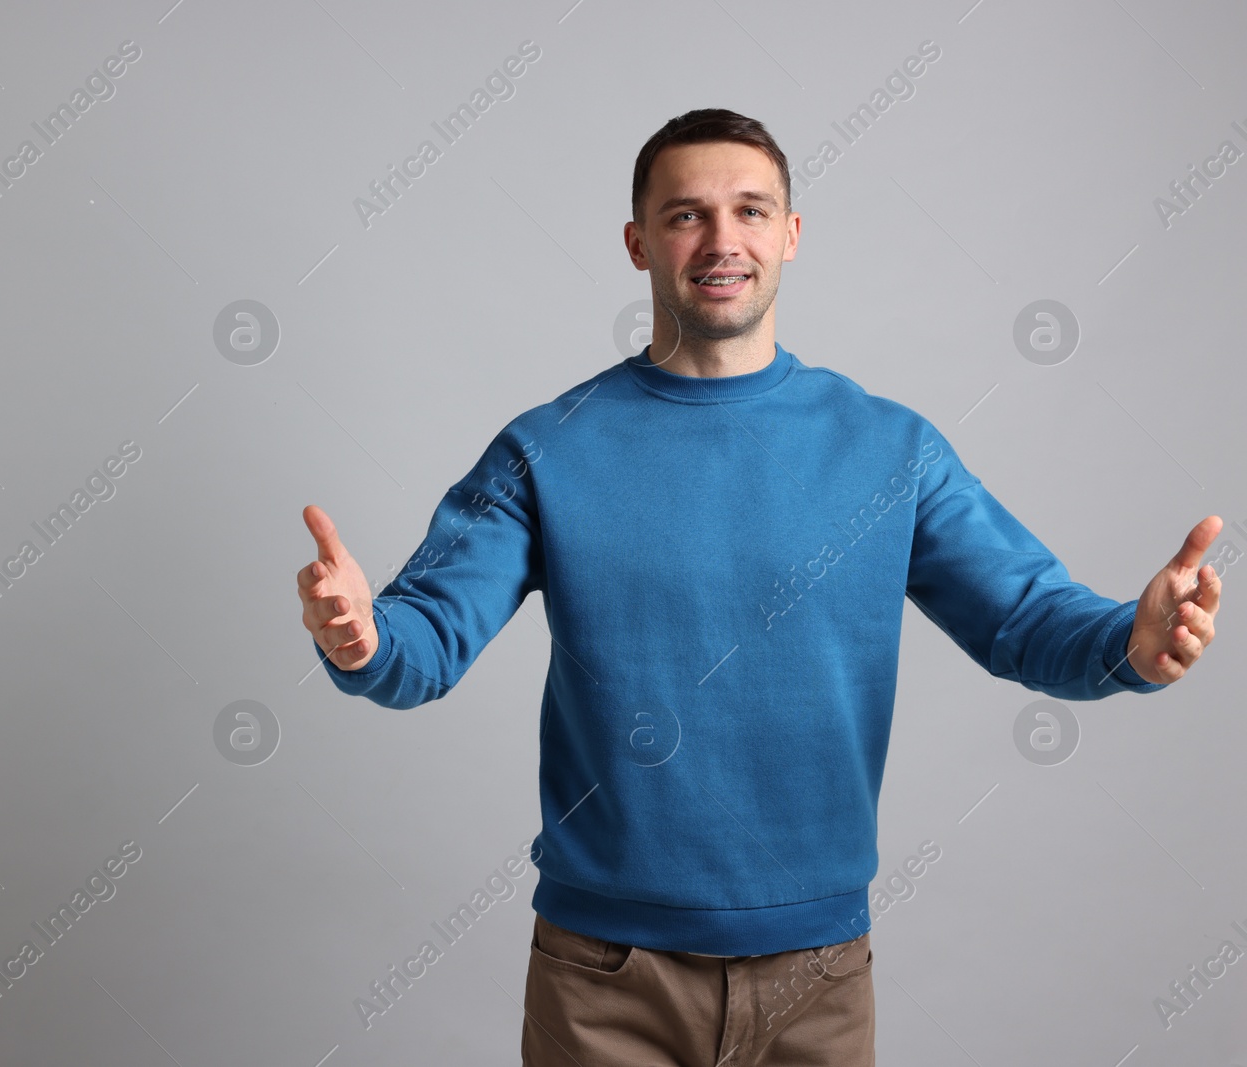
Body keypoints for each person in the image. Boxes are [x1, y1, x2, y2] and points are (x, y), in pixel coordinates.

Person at [295, 108, 1223, 1065]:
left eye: (750, 209)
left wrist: (1128, 643)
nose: (721, 239)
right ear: (638, 243)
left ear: (790, 234)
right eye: (687, 215)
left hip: (815, 975)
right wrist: (363, 639)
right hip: (602, 977)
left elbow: (1026, 618)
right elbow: (427, 638)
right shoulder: (549, 447)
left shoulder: (890, 449)